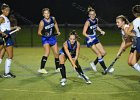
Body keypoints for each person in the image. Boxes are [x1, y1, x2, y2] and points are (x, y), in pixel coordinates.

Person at [82, 6, 114, 73]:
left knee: (103, 53)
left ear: (95, 14)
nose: (92, 15)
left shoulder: (96, 20)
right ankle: (105, 69)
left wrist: (101, 31)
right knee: (99, 54)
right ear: (89, 15)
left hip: (95, 38)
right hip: (89, 40)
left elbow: (96, 27)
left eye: (93, 14)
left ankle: (93, 63)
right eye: (91, 14)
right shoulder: (88, 22)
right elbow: (83, 33)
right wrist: (89, 37)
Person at [0, 3, 21, 78]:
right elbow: (3, 30)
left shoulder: (6, 18)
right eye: (6, 10)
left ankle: (6, 73)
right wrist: (2, 33)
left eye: (8, 10)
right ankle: (6, 73)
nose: (7, 12)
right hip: (5, 38)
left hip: (6, 37)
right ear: (2, 10)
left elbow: (8, 28)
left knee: (1, 55)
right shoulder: (2, 18)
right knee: (10, 55)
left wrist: (15, 27)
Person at [38, 8, 61, 74]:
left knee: (56, 53)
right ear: (43, 15)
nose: (47, 14)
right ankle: (41, 68)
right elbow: (39, 33)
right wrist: (45, 35)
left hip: (52, 38)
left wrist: (58, 31)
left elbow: (55, 23)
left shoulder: (53, 18)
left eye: (48, 13)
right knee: (47, 52)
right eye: (45, 13)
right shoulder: (42, 22)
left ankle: (57, 68)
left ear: (49, 13)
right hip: (45, 39)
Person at [126, 5, 140, 72]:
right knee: (131, 62)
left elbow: (128, 32)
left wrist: (135, 34)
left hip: (139, 41)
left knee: (133, 63)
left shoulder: (134, 22)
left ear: (134, 13)